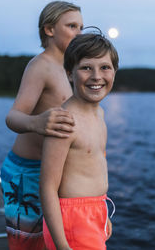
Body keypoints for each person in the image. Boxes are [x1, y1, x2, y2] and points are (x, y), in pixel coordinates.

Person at [0, 1, 83, 250]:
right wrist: (37, 122)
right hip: (27, 172)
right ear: (49, 29)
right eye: (71, 26)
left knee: (56, 239)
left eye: (81, 27)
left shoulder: (72, 69)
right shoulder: (41, 66)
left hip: (54, 172)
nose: (79, 33)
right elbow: (13, 116)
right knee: (29, 244)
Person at [40, 32, 118, 250]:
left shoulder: (99, 114)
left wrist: (101, 213)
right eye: (86, 67)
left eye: (105, 67)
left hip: (94, 212)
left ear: (114, 72)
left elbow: (95, 162)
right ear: (70, 74)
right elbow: (47, 187)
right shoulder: (65, 121)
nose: (96, 76)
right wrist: (62, 245)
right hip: (72, 221)